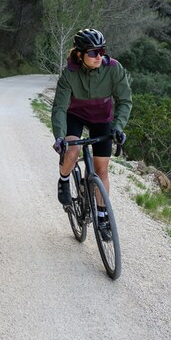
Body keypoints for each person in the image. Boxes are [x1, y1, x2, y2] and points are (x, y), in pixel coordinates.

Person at [51, 28, 132, 241]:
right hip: (75, 116)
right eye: (93, 53)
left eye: (102, 51)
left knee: (101, 169)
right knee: (72, 150)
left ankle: (103, 218)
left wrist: (118, 127)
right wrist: (60, 137)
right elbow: (59, 108)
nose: (99, 57)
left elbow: (124, 101)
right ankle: (64, 179)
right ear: (80, 54)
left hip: (102, 119)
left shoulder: (113, 69)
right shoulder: (69, 73)